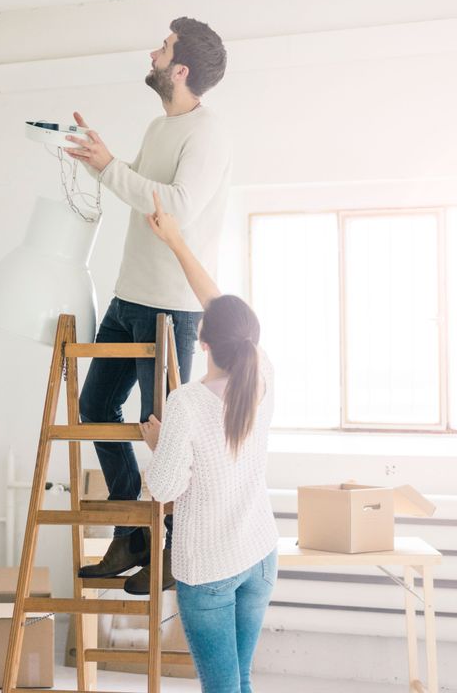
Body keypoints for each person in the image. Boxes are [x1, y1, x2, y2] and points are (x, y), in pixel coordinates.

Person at [68, 17, 232, 595]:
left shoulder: (206, 134)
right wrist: (104, 162)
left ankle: (170, 548)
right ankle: (133, 533)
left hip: (169, 305)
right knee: (95, 410)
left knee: (164, 431)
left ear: (179, 68)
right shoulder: (160, 126)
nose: (154, 53)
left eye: (163, 48)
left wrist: (112, 168)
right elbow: (140, 185)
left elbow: (177, 206)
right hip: (127, 294)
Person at [138, 190, 279, 693]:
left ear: (200, 341)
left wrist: (158, 443)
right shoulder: (263, 374)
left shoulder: (187, 404)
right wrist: (177, 243)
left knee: (223, 686)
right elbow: (219, 307)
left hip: (209, 567)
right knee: (238, 679)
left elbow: (162, 490)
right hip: (259, 555)